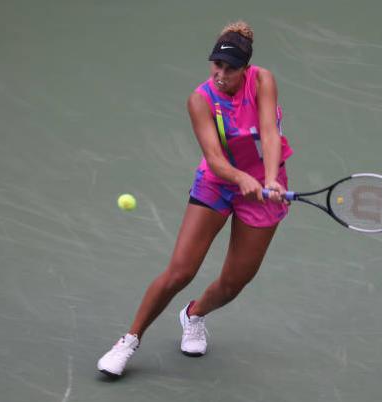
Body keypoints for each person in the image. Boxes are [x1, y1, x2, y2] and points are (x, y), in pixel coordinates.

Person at [97, 20, 294, 377]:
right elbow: (217, 161)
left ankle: (194, 315)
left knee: (235, 282)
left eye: (230, 68)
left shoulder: (263, 81)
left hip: (264, 187)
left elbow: (268, 131)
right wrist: (241, 178)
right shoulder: (200, 100)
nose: (220, 74)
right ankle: (128, 340)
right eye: (216, 65)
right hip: (218, 184)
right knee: (180, 271)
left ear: (245, 69)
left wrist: (267, 180)